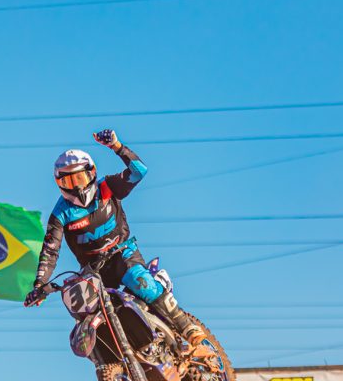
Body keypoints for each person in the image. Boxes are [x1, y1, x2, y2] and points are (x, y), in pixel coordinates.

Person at [24, 129, 206, 348]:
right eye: (70, 181)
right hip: (94, 271)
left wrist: (117, 147)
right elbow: (50, 250)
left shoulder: (107, 187)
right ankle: (111, 359)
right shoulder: (61, 213)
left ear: (92, 173)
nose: (77, 186)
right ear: (59, 183)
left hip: (123, 252)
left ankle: (185, 325)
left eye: (80, 177)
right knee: (84, 310)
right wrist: (40, 284)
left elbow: (139, 171)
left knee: (140, 282)